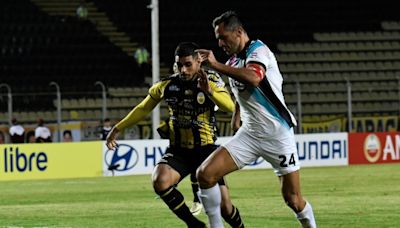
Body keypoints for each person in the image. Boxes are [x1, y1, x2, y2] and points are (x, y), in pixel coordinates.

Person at [196, 11, 317, 228]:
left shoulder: (259, 51)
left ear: (239, 32)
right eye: (218, 39)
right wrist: (234, 114)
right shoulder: (233, 60)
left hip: (277, 135)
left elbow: (253, 78)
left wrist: (215, 65)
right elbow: (240, 93)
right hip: (250, 136)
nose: (220, 43)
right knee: (205, 175)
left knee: (293, 200)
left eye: (223, 37)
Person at [106, 42, 244, 228]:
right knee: (159, 180)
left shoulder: (210, 79)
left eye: (188, 64)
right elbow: (143, 108)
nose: (183, 69)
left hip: (206, 151)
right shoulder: (167, 85)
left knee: (225, 208)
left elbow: (230, 105)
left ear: (198, 62)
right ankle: (193, 224)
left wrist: (209, 91)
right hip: (179, 151)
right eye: (179, 65)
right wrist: (117, 129)